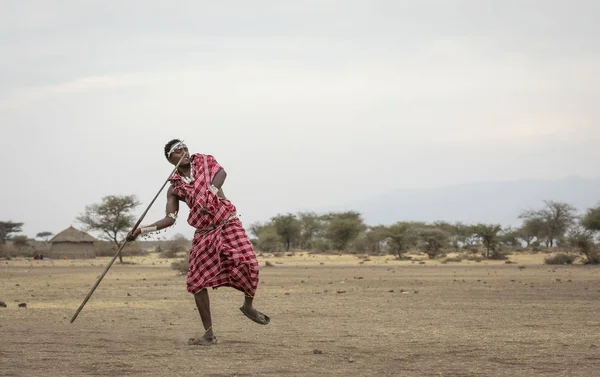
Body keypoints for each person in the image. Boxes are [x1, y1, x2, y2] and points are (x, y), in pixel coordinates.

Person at [127, 139, 270, 345]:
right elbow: (170, 219)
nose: (184, 152)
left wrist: (210, 194)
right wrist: (141, 230)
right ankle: (209, 334)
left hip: (228, 223)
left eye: (184, 148)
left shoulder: (204, 161)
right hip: (204, 232)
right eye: (177, 151)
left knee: (250, 264)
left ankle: (248, 306)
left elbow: (222, 173)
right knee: (196, 282)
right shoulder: (174, 187)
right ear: (170, 159)